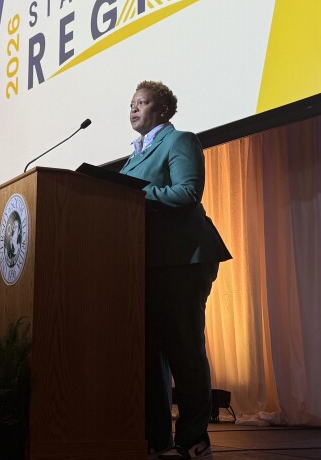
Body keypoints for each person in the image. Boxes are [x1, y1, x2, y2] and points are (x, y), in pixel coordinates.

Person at [119, 81, 232, 460]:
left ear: (163, 110)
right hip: (148, 263)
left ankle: (193, 438)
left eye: (142, 102)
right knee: (149, 354)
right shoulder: (132, 158)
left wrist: (134, 194)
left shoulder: (180, 140)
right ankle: (156, 439)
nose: (133, 108)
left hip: (184, 259)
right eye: (131, 103)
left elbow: (187, 193)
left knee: (183, 348)